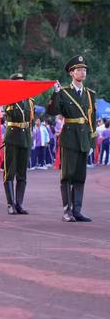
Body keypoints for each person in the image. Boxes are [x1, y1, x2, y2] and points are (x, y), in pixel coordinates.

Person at [47, 55, 96, 222]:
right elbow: (52, 112)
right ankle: (67, 211)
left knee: (80, 176)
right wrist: (55, 94)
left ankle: (77, 210)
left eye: (84, 70)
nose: (82, 72)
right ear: (71, 73)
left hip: (83, 138)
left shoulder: (90, 94)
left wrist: (92, 142)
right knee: (67, 175)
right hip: (69, 137)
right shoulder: (64, 92)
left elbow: (93, 120)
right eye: (79, 70)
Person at [3, 73, 34, 215]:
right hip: (13, 137)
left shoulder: (30, 101)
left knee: (22, 173)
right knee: (10, 172)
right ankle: (10, 204)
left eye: (23, 82)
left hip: (25, 138)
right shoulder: (8, 98)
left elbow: (31, 122)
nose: (22, 84)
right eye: (19, 83)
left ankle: (19, 203)